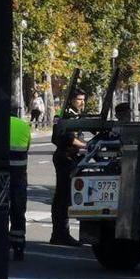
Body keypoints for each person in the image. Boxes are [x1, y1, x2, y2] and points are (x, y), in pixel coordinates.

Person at [50, 89, 87, 246]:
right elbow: (66, 138)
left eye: (83, 99)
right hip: (65, 157)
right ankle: (60, 234)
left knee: (64, 197)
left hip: (70, 157)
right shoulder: (65, 117)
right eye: (79, 99)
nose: (82, 102)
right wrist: (87, 145)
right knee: (63, 197)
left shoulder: (73, 115)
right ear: (72, 100)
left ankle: (60, 233)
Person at [8, 115, 31, 261]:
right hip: (19, 176)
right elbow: (27, 148)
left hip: (0, 175)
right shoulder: (24, 126)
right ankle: (18, 245)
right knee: (18, 211)